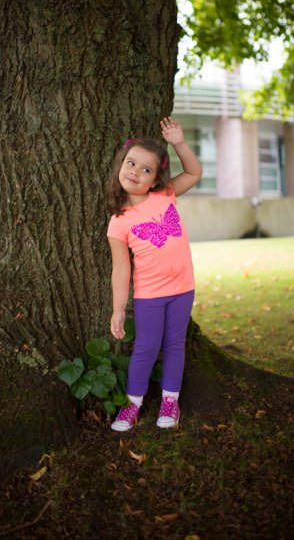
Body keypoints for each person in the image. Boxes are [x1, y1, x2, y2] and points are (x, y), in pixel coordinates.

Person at [106, 117, 202, 432]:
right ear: (121, 165)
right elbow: (121, 268)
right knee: (146, 348)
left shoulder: (165, 194)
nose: (136, 172)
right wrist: (119, 308)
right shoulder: (119, 221)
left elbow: (194, 172)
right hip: (149, 295)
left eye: (146, 169)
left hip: (183, 288)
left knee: (175, 344)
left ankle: (170, 402)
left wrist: (179, 143)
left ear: (155, 178)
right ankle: (132, 405)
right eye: (131, 163)